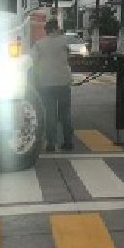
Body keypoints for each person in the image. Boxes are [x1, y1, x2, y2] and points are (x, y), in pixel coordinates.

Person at [31, 18, 73, 152]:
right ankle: (68, 142)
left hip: (46, 83)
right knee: (65, 113)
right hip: (63, 82)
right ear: (55, 29)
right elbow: (68, 55)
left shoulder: (39, 44)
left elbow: (34, 62)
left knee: (50, 114)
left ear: (46, 31)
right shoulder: (64, 41)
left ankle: (51, 143)